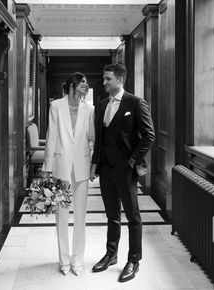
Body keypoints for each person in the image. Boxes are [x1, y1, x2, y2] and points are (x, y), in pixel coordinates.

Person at [90, 63, 155, 282]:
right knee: (112, 215)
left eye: (108, 78)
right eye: (104, 78)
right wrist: (95, 164)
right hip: (106, 168)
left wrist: (131, 162)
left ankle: (134, 260)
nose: (104, 82)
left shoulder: (135, 103)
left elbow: (149, 136)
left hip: (126, 169)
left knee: (133, 216)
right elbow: (100, 138)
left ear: (120, 79)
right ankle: (111, 254)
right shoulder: (101, 104)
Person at [41, 72, 95, 276]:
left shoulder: (89, 108)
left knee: (80, 215)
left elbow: (92, 139)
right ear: (73, 84)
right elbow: (51, 136)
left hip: (81, 165)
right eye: (83, 82)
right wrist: (46, 167)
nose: (86, 86)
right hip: (60, 165)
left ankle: (77, 259)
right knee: (61, 215)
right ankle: (64, 259)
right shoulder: (56, 106)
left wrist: (92, 165)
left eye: (87, 83)